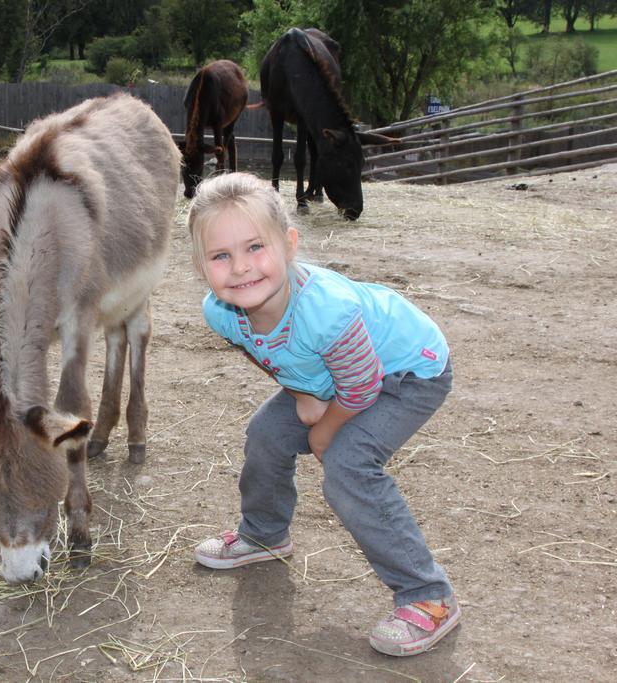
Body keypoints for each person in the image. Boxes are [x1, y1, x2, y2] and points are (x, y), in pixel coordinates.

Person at [187, 172, 459, 657]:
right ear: (201, 265)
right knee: (266, 434)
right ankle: (264, 535)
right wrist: (298, 393)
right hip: (333, 378)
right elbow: (259, 351)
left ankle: (427, 594)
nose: (241, 268)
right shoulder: (221, 311)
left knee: (347, 465)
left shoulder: (327, 312)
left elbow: (361, 386)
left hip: (404, 373)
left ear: (289, 245)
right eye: (220, 256)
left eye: (255, 248)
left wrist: (325, 428)